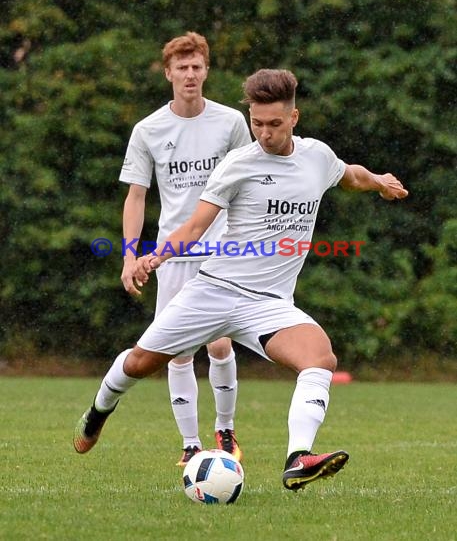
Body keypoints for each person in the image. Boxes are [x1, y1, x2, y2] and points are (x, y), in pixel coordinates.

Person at [74, 68, 408, 490]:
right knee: (140, 363)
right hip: (214, 291)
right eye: (256, 124)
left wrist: (378, 182)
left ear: (294, 118)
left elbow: (350, 175)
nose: (264, 134)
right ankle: (99, 411)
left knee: (320, 357)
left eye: (273, 124)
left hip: (268, 304)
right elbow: (195, 227)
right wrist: (152, 257)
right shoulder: (238, 164)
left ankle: (298, 457)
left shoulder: (317, 157)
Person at [118, 32, 251, 465]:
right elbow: (136, 195)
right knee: (176, 350)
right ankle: (190, 445)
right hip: (172, 254)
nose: (190, 75)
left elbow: (250, 184)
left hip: (221, 251)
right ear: (169, 73)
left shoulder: (232, 122)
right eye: (182, 67)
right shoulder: (149, 129)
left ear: (206, 71)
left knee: (219, 344)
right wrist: (129, 254)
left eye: (197, 67)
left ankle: (226, 432)